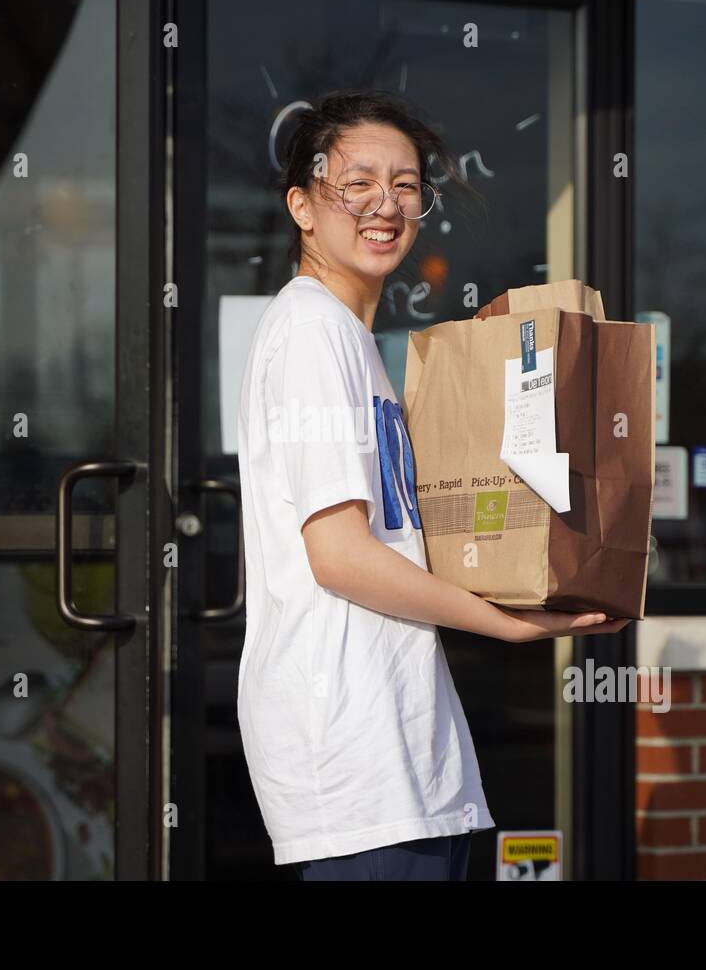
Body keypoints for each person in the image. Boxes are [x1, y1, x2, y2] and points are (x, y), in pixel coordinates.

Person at [235, 89, 627, 882]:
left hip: (403, 753)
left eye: (406, 185)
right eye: (358, 183)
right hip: (352, 760)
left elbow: (406, 534)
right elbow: (340, 556)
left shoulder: (355, 340)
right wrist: (507, 627)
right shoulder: (312, 332)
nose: (386, 204)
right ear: (303, 206)